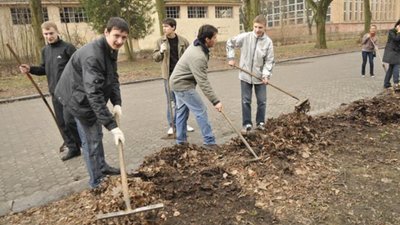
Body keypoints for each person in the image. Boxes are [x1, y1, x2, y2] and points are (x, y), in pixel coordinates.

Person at [54, 17, 127, 189]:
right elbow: (93, 94)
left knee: (96, 136)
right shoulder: (93, 56)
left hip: (86, 95)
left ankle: (101, 167)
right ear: (106, 32)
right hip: (78, 100)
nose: (120, 41)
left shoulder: (109, 49)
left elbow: (113, 77)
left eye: (124, 38)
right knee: (91, 141)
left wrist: (116, 102)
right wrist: (112, 126)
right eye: (116, 36)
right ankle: (96, 182)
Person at [19, 21, 81, 161]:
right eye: (46, 34)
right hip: (55, 93)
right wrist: (30, 69)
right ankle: (73, 148)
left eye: (51, 33)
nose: (49, 36)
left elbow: (79, 67)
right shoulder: (45, 51)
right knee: (62, 123)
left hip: (69, 93)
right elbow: (43, 69)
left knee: (69, 120)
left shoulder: (68, 48)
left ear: (57, 32)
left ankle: (84, 143)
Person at [170, 24, 222, 150]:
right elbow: (203, 82)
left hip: (177, 82)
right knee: (201, 110)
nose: (216, 40)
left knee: (181, 111)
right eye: (214, 38)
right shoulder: (198, 56)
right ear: (207, 39)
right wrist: (215, 101)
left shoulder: (197, 45)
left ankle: (181, 142)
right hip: (183, 85)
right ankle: (209, 142)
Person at [226, 15, 274, 134]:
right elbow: (230, 43)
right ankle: (247, 123)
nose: (257, 30)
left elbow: (269, 60)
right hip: (245, 76)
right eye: (256, 27)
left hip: (260, 77)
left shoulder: (268, 42)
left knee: (262, 101)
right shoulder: (246, 37)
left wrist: (266, 75)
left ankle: (260, 122)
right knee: (246, 101)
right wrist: (231, 58)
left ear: (265, 27)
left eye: (260, 27)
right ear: (253, 26)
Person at [152, 18, 194, 136]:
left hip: (181, 76)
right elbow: (155, 58)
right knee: (171, 102)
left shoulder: (183, 41)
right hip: (168, 76)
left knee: (183, 101)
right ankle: (172, 125)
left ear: (173, 27)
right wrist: (160, 52)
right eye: (163, 26)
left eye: (166, 26)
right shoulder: (160, 41)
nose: (164, 29)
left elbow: (190, 56)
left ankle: (183, 123)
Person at [383, 19, 400, 89]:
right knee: (396, 65)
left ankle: (386, 83)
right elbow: (396, 39)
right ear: (397, 25)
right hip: (392, 52)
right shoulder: (391, 31)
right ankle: (396, 83)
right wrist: (399, 32)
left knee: (391, 68)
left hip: (396, 52)